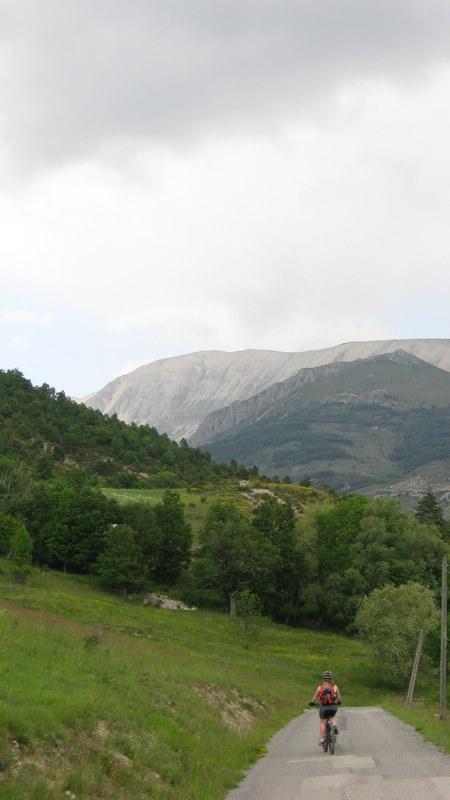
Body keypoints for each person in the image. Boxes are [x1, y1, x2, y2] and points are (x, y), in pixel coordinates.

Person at [310, 670, 341, 745]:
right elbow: (338, 697)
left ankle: (322, 740)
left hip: (324, 707)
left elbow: (315, 697)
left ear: (323, 678)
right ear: (331, 678)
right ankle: (334, 726)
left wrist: (312, 702)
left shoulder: (320, 687)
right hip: (333, 706)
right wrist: (338, 701)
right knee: (332, 716)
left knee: (322, 723)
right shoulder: (334, 686)